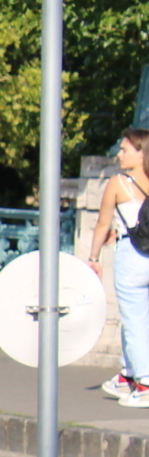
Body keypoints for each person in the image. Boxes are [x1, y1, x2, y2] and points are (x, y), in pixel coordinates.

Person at [87, 128, 149, 407]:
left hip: (132, 255)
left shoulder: (118, 183)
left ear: (141, 153)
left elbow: (102, 224)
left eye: (125, 149)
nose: (119, 154)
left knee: (134, 321)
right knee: (138, 319)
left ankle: (145, 383)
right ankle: (127, 375)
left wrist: (94, 256)